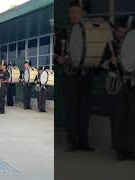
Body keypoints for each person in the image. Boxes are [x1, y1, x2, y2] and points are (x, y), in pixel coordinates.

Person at [56, 1, 94, 152]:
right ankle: (73, 140)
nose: (73, 15)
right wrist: (58, 58)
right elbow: (56, 52)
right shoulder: (64, 32)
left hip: (86, 75)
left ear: (83, 13)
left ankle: (84, 141)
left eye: (76, 12)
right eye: (71, 12)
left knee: (85, 109)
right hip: (70, 75)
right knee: (71, 109)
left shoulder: (90, 32)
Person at [101, 20, 135, 161]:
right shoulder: (110, 45)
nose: (123, 35)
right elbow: (102, 64)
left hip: (131, 85)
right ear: (116, 32)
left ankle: (130, 151)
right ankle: (119, 150)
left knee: (131, 119)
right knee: (118, 118)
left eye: (126, 32)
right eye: (121, 32)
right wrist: (110, 63)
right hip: (117, 85)